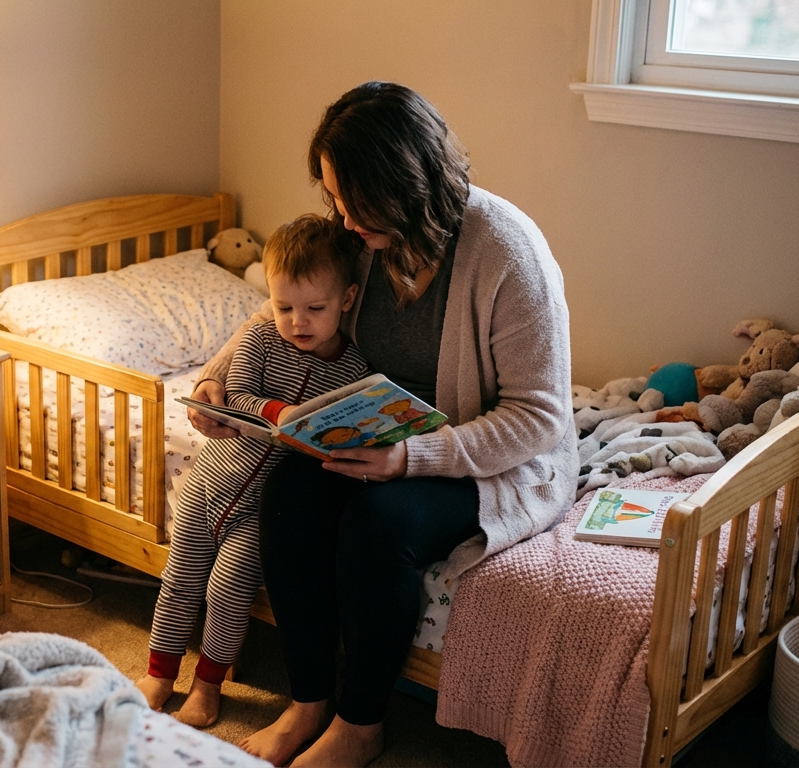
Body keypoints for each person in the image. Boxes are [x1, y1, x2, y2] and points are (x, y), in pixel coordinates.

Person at [188, 82, 575, 766]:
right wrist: (216, 377)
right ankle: (309, 699)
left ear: (405, 186)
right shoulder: (358, 238)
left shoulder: (508, 252)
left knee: (380, 524)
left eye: (354, 202)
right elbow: (282, 305)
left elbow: (539, 415)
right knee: (291, 496)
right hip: (375, 430)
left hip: (481, 450)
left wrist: (412, 460)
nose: (340, 216)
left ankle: (361, 725)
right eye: (334, 197)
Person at [136, 214, 372, 728]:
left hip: (257, 511)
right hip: (207, 488)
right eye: (284, 306)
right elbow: (236, 396)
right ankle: (159, 672)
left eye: (315, 309)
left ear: (347, 300)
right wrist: (278, 414)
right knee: (180, 580)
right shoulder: (261, 338)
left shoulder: (354, 370)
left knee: (227, 592)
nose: (297, 321)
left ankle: (208, 684)